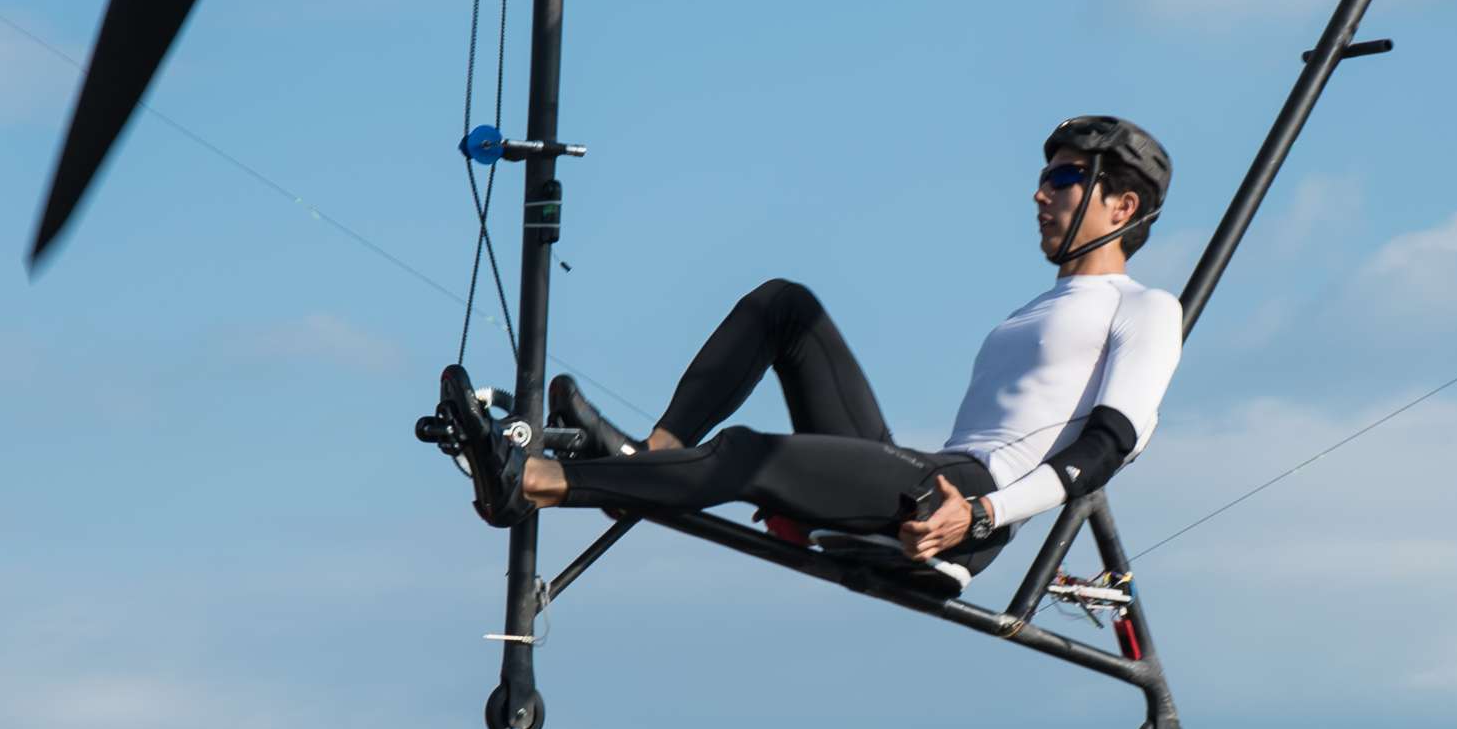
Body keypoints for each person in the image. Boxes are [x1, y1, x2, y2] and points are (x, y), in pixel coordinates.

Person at [435, 117, 1183, 594]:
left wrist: (983, 515)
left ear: (1121, 207)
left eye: (1060, 178)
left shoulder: (1146, 308)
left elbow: (1109, 444)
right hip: (926, 476)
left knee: (752, 454)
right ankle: (645, 458)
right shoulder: (1038, 309)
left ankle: (534, 481)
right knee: (784, 304)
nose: (1037, 194)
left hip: (957, 504)